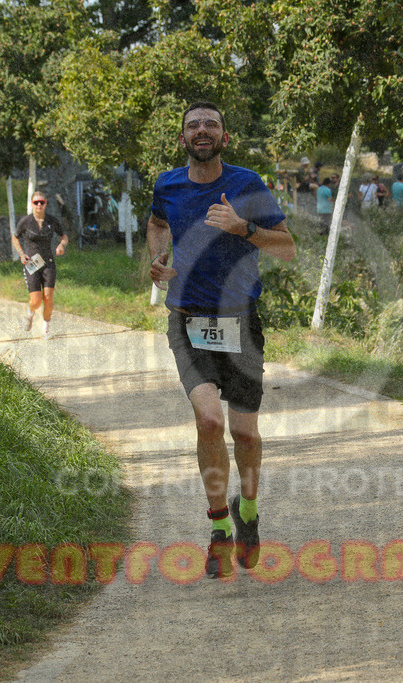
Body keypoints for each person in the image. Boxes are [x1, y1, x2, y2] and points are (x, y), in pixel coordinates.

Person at [148, 101, 296, 578]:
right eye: (194, 125)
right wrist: (158, 256)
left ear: (224, 137)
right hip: (187, 320)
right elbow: (156, 222)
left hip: (241, 323)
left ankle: (247, 512)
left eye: (211, 123)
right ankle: (218, 532)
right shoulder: (167, 185)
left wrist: (242, 227)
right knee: (209, 421)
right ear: (184, 138)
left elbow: (288, 248)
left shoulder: (246, 184)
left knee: (245, 433)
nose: (202, 130)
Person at [12, 191, 68, 340]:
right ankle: (30, 315)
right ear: (31, 204)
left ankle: (46, 330)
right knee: (36, 301)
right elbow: (15, 238)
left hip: (48, 262)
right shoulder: (25, 222)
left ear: (45, 203)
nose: (38, 205)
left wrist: (61, 245)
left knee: (48, 297)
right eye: (36, 202)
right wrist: (21, 254)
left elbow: (64, 235)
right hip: (32, 264)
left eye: (41, 202)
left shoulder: (52, 220)